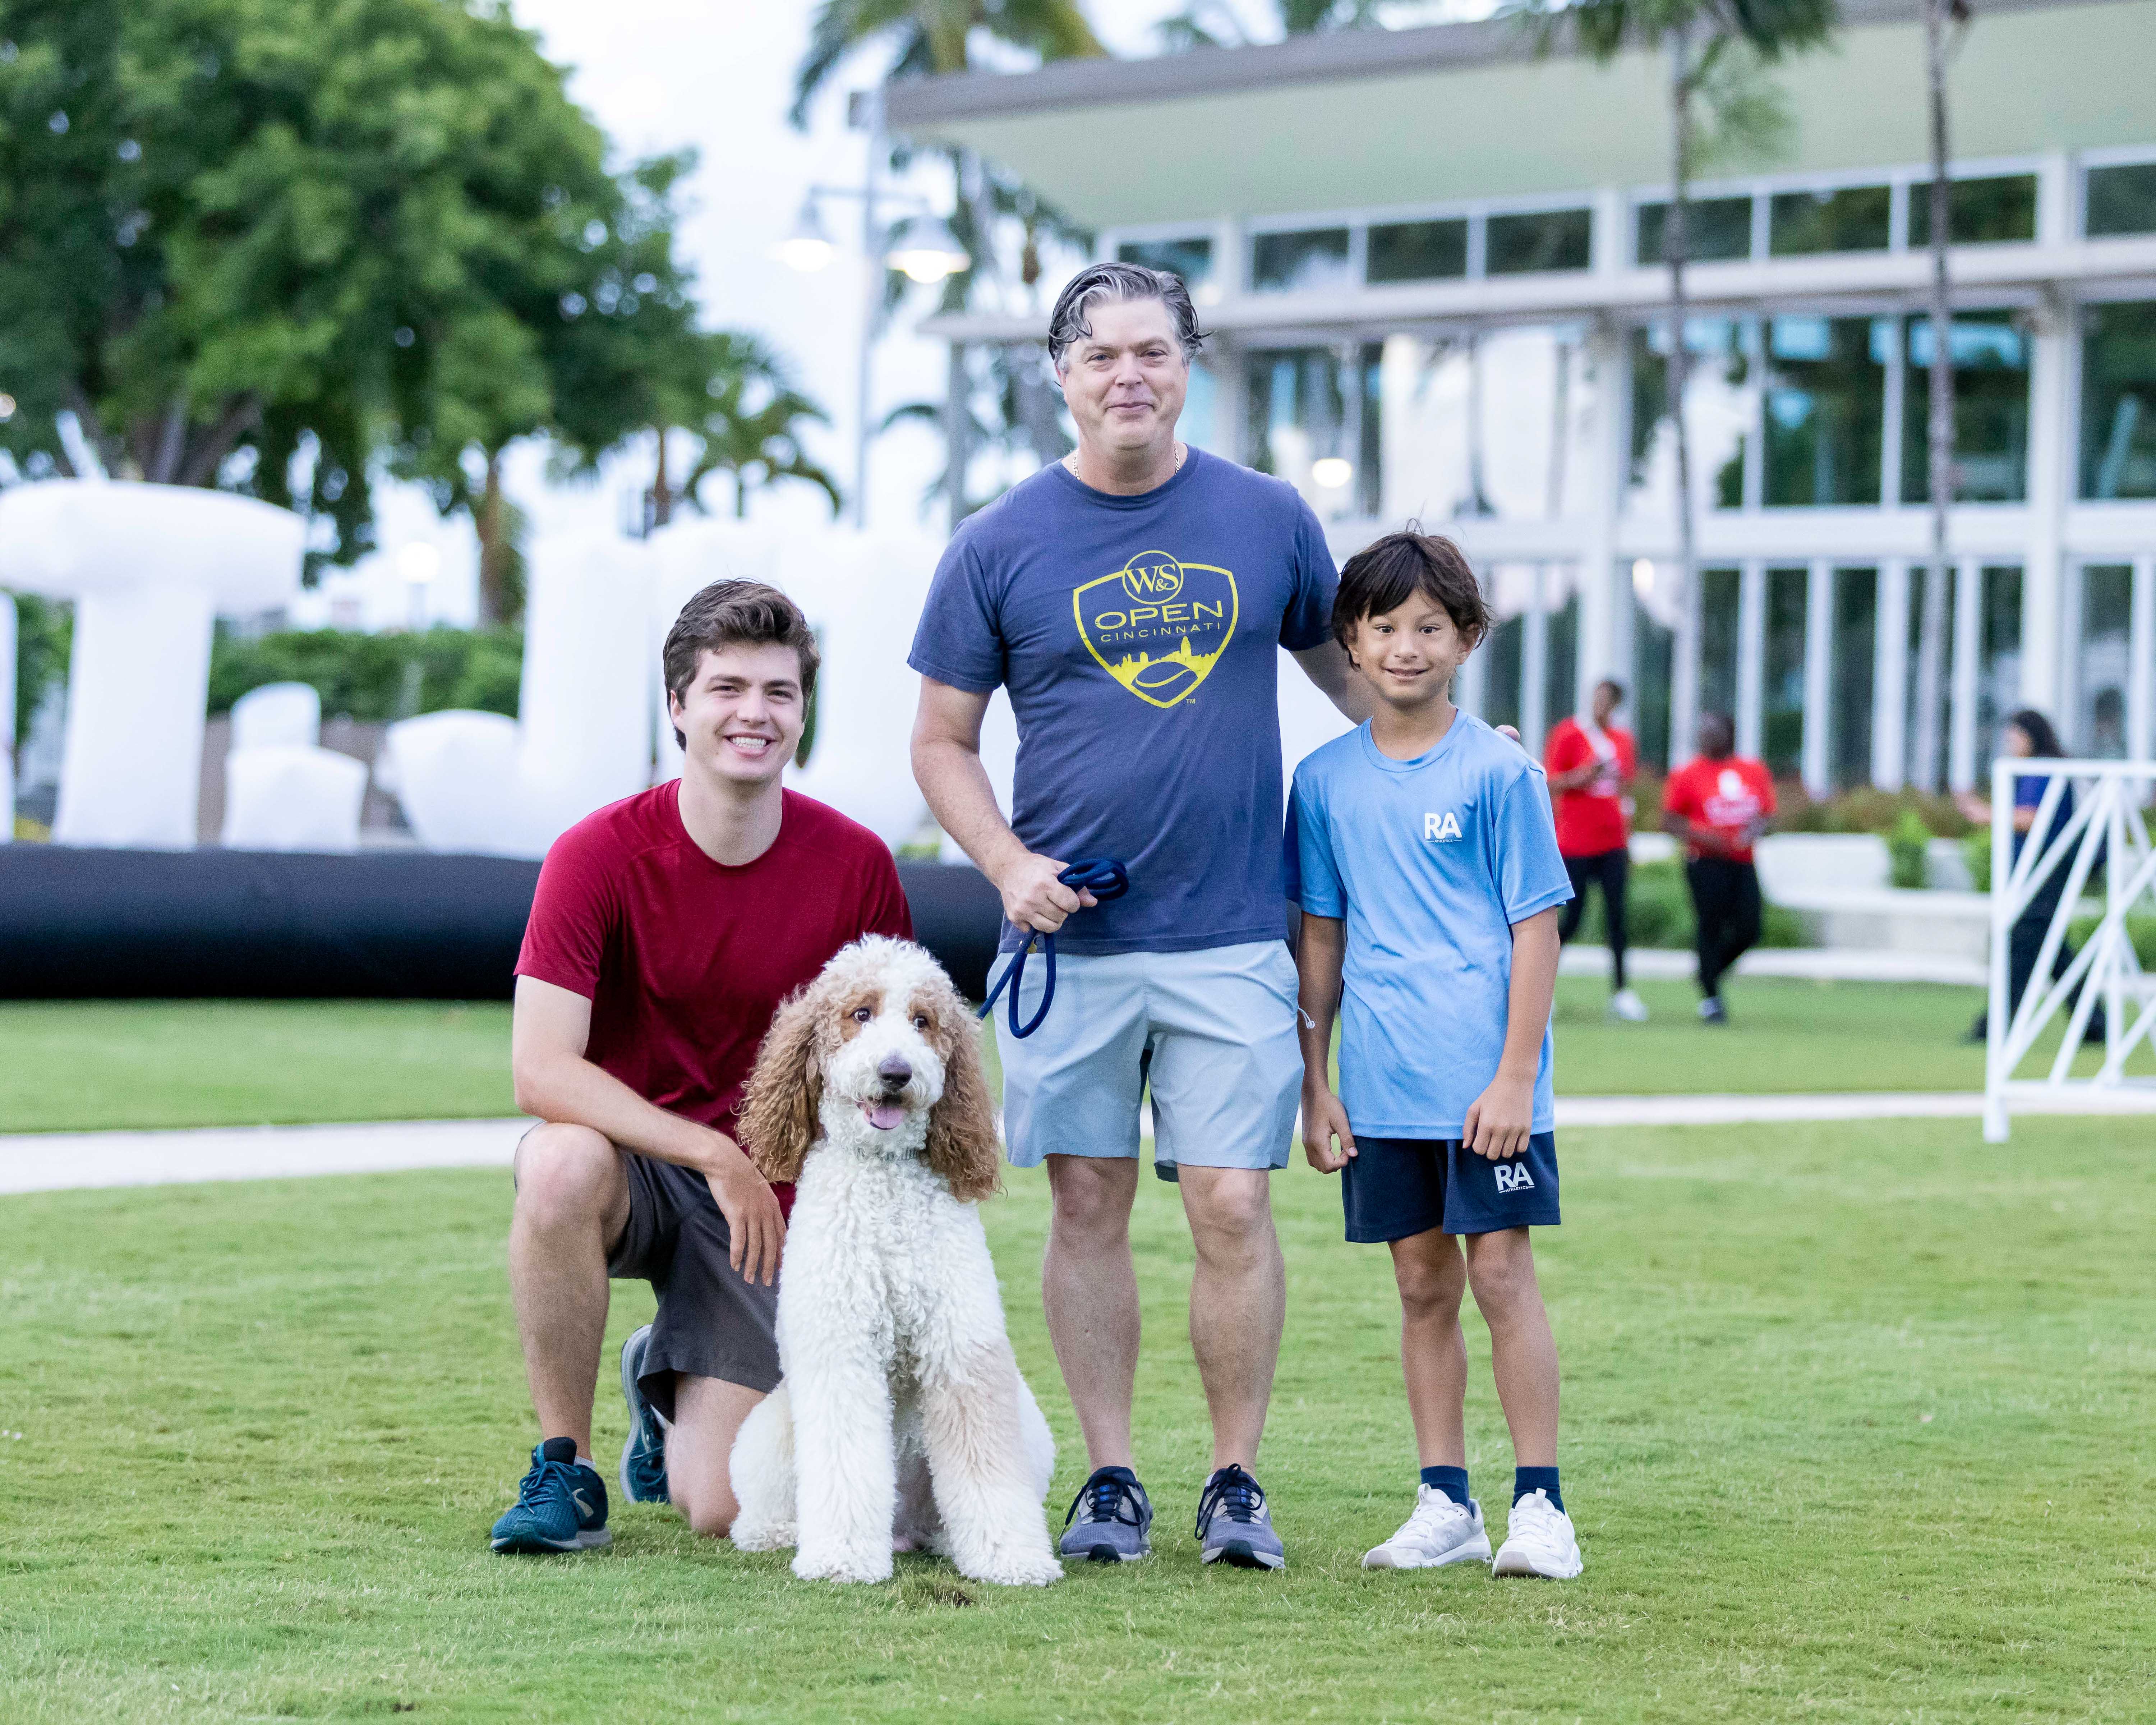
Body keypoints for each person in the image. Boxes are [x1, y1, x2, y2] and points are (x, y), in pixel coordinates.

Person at [909, 261, 1370, 1572]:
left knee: (1230, 1200)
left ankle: (1234, 1480)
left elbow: (1351, 677)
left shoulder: (1268, 517)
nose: (1128, 375)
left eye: (1152, 352)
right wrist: (1002, 865)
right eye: (1100, 354)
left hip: (1232, 929)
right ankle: (1110, 1478)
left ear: (1188, 364)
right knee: (1087, 1202)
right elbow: (941, 741)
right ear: (1060, 374)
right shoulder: (998, 541)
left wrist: (1453, 749)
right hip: (1071, 942)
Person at [490, 581, 912, 1554]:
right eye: (727, 689)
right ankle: (565, 1466)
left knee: (729, 1509)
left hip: (773, 1201)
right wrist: (713, 1156)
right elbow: (540, 1071)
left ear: (804, 711)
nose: (754, 714)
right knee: (557, 1163)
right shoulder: (595, 855)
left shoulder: (856, 866)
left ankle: (664, 1385)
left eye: (779, 692)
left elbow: (889, 1066)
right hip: (642, 1168)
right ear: (678, 706)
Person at [1289, 529, 1583, 1581]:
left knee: (1501, 1275)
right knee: (1420, 1286)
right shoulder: (1320, 783)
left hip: (1486, 1086)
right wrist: (1315, 1082)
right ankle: (1442, 1501)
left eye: (1428, 626)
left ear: (1464, 639)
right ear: (1350, 644)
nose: (1404, 646)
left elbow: (1534, 929)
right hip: (1379, 1084)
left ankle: (1540, 1507)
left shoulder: (1501, 773)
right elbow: (1318, 936)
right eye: (1383, 627)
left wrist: (1513, 1075)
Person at [1955, 708, 2091, 1042]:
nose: (2011, 744)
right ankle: (2094, 1024)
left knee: (2022, 946)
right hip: (2039, 873)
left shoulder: (2041, 769)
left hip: (2043, 873)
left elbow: (2031, 818)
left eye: (2014, 736)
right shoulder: (2041, 769)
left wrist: (1986, 815)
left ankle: (1995, 1026)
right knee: (2053, 952)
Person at [1544, 678, 1648, 1023]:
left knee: (1617, 918)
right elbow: (1548, 780)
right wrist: (1583, 777)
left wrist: (1629, 840)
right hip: (1575, 841)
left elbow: (1625, 792)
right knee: (1571, 918)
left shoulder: (1623, 741)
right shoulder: (1569, 733)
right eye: (1596, 699)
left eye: (1607, 701)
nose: (1599, 706)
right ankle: (1542, 988)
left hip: (1612, 841)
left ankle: (1622, 992)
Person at [1661, 712, 1774, 1025]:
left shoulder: (1753, 771)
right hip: (1704, 862)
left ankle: (1708, 972)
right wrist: (1702, 835)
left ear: (1730, 734)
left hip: (1742, 861)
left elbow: (1768, 815)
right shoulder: (1688, 774)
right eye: (1703, 732)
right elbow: (1668, 821)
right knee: (1710, 926)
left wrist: (1756, 829)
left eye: (1713, 732)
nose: (1706, 738)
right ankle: (1712, 998)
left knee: (1750, 928)